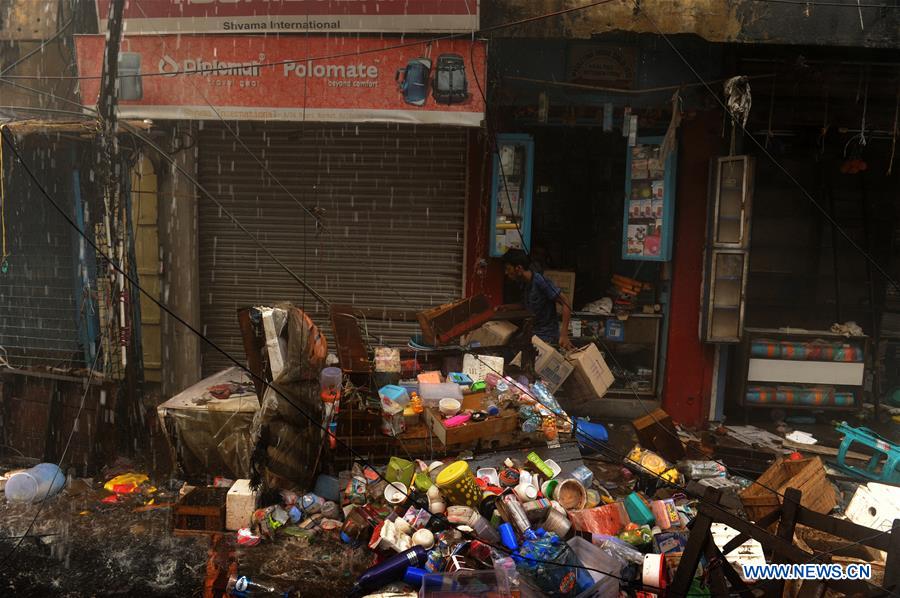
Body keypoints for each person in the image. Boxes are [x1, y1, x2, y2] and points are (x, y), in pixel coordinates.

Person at [502, 249, 573, 350]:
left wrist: (564, 334)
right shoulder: (524, 283)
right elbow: (526, 304)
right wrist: (507, 307)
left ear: (518, 268)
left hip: (546, 337)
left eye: (508, 269)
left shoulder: (540, 282)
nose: (506, 273)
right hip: (532, 334)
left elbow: (566, 302)